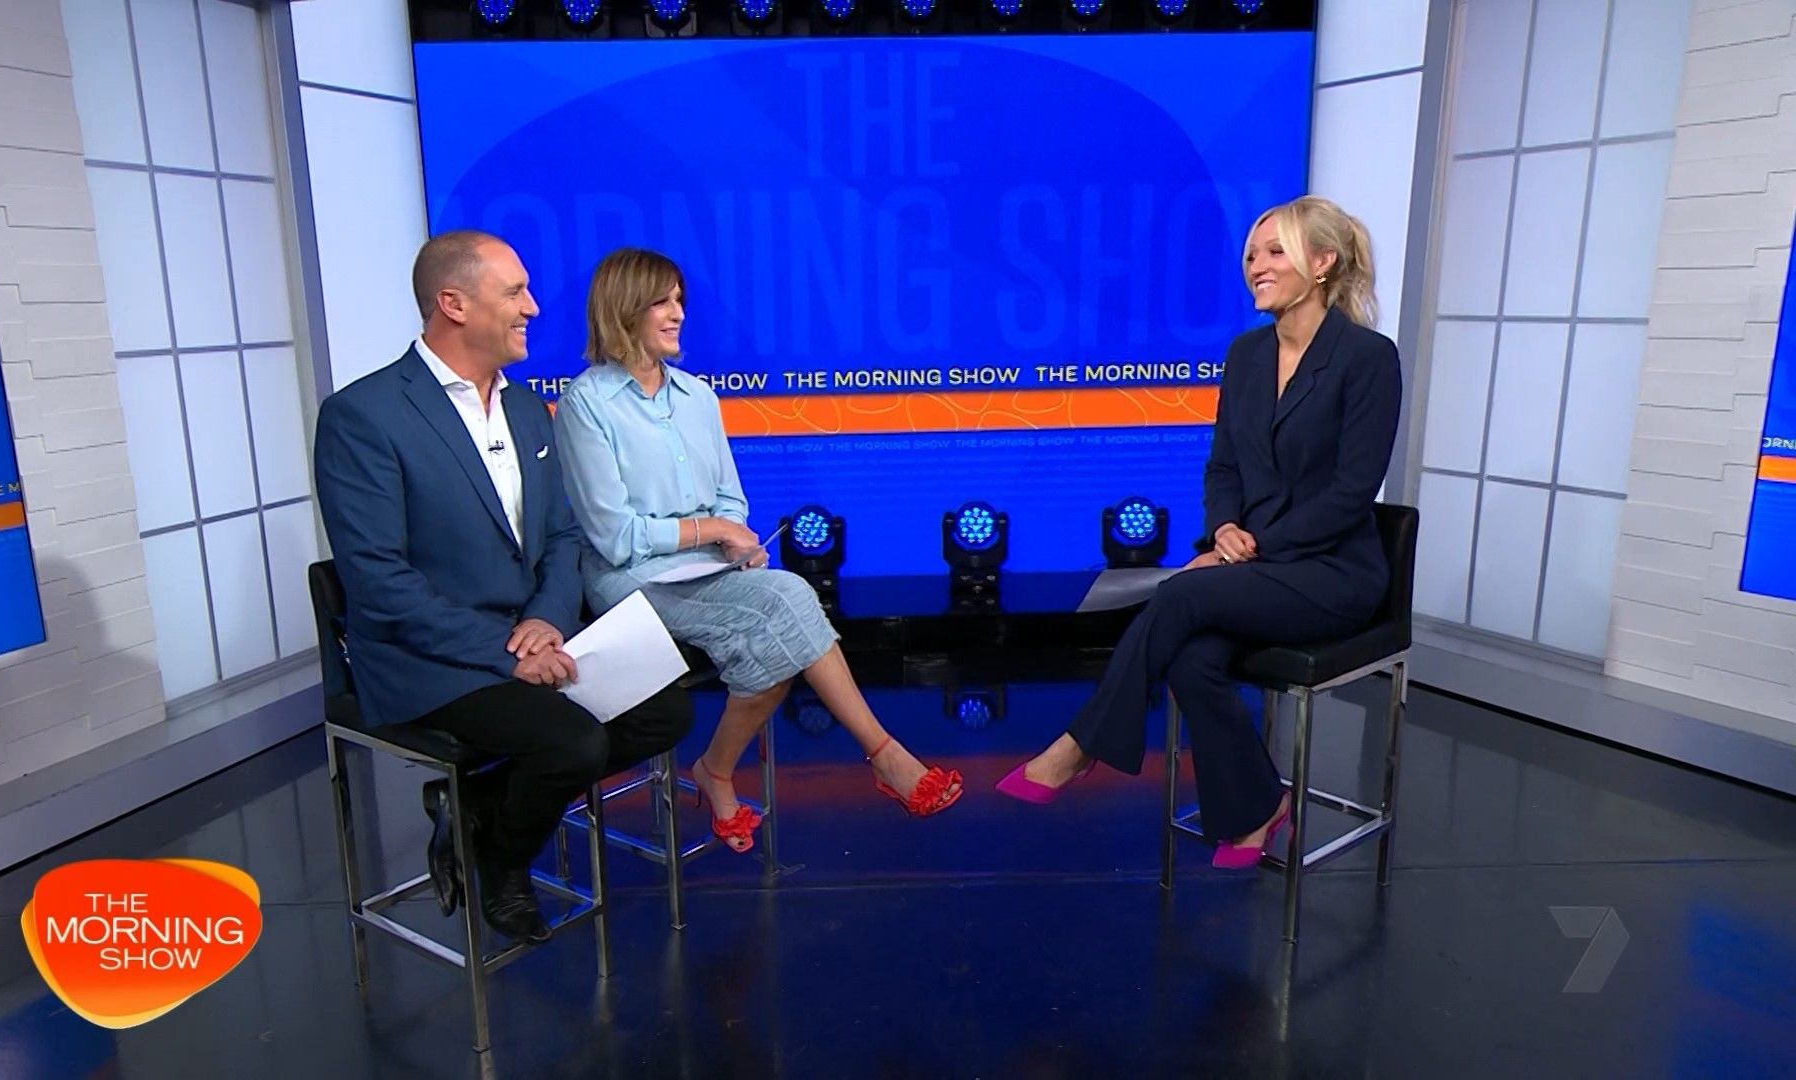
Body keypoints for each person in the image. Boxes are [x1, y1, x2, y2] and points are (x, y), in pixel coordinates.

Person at [996, 196, 1402, 870]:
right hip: (1253, 566)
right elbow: (1224, 466)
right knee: (1190, 659)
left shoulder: (1367, 358)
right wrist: (1225, 527)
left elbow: (1350, 494)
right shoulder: (1246, 355)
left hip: (1332, 572)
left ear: (1322, 263)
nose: (1256, 266)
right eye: (1252, 255)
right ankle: (1259, 806)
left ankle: (1080, 746)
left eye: (1275, 252)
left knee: (1181, 595)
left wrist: (1249, 550)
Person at [314, 230, 692, 943]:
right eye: (515, 292)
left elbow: (561, 538)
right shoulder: (363, 416)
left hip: (527, 635)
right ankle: (502, 860)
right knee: (572, 745)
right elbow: (379, 581)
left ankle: (482, 802)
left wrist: (547, 621)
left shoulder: (524, 409)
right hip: (429, 655)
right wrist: (505, 651)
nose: (534, 307)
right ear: (453, 304)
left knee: (664, 712)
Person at [553, 247, 963, 853]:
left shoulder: (697, 397)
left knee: (779, 619)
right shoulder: (586, 405)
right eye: (661, 302)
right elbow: (615, 537)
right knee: (787, 606)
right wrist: (714, 531)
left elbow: (731, 499)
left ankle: (719, 769)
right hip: (632, 580)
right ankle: (880, 755)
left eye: (679, 301)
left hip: (707, 569)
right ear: (623, 309)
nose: (678, 314)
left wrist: (735, 540)